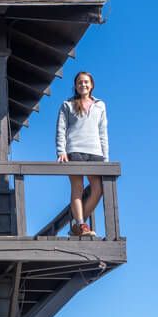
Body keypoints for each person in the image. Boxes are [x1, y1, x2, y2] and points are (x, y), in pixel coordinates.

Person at [55, 71, 108, 236]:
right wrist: (61, 151)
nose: (83, 85)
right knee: (77, 188)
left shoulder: (100, 105)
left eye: (86, 82)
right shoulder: (67, 105)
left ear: (91, 85)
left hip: (95, 152)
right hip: (75, 150)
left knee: (98, 189)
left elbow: (103, 133)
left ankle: (78, 225)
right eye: (79, 82)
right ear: (76, 86)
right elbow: (61, 129)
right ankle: (81, 225)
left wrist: (106, 158)